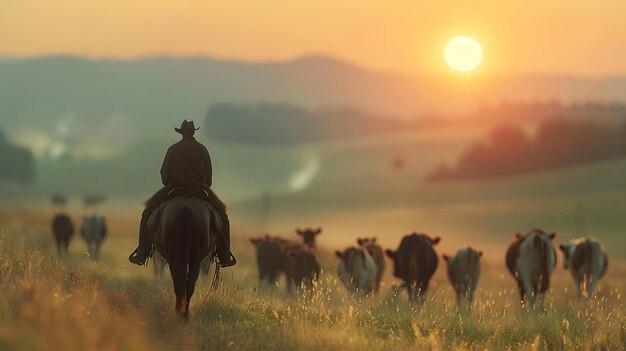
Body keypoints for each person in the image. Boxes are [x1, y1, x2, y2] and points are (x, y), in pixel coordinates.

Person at [129, 119, 236, 267]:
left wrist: (172, 182)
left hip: (174, 188)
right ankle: (224, 255)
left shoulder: (172, 149)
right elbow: (209, 178)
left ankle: (142, 252)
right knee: (222, 215)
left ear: (181, 133)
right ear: (193, 132)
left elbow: (164, 176)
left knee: (147, 213)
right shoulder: (202, 149)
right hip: (200, 189)